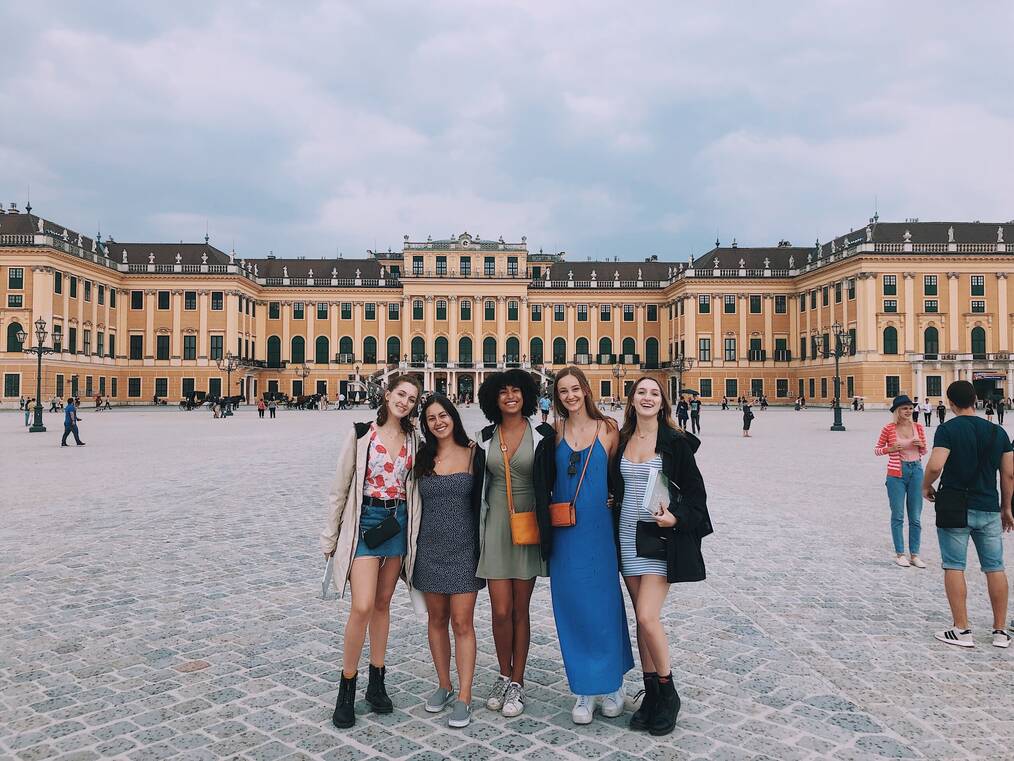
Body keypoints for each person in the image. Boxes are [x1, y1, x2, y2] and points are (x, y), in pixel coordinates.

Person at [608, 376, 711, 735]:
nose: (647, 398)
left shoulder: (676, 443)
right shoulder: (620, 440)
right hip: (626, 538)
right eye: (641, 392)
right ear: (632, 399)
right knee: (641, 620)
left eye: (654, 393)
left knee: (648, 616)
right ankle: (651, 694)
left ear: (663, 402)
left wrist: (676, 518)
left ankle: (668, 692)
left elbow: (697, 499)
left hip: (658, 539)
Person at [322, 374, 423, 729]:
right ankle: (346, 688)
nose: (404, 402)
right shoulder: (361, 432)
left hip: (396, 523)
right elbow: (340, 486)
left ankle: (376, 683)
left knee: (382, 605)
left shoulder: (414, 439)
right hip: (365, 522)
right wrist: (330, 537)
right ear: (387, 393)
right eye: (400, 394)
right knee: (362, 605)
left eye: (411, 398)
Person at [537, 367, 631, 725]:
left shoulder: (608, 428)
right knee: (572, 606)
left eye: (575, 389)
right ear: (556, 397)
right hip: (565, 531)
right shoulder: (555, 431)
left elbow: (622, 475)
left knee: (605, 604)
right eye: (563, 391)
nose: (570, 396)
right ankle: (584, 688)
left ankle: (612, 684)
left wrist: (614, 499)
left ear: (586, 390)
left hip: (598, 529)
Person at [473, 369, 550, 718]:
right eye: (503, 392)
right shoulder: (485, 437)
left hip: (528, 525)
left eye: (516, 391)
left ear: (527, 396)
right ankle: (503, 674)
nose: (510, 397)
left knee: (521, 610)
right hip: (495, 526)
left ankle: (517, 681)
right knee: (500, 610)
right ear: (494, 398)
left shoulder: (544, 435)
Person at [922, 381, 1014, 649]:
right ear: (976, 400)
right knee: (995, 567)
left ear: (950, 402)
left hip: (955, 507)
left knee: (954, 565)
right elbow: (1008, 474)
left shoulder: (948, 429)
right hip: (988, 506)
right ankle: (1000, 631)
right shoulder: (998, 433)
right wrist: (1006, 507)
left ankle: (961, 629)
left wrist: (926, 485)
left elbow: (936, 464)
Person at [413, 395, 485, 729]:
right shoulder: (422, 457)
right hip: (429, 551)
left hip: (464, 551)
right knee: (436, 620)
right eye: (431, 418)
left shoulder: (474, 453)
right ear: (425, 425)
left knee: (462, 623)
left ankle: (465, 694)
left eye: (443, 415)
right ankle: (444, 684)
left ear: (453, 417)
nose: (439, 422)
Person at [874, 395, 927, 568]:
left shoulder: (918, 427)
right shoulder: (889, 428)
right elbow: (877, 450)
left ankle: (915, 554)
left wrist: (920, 445)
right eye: (904, 408)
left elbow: (924, 450)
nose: (908, 411)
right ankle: (900, 554)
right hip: (896, 473)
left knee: (916, 517)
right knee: (898, 516)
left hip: (917, 471)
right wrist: (890, 448)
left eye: (910, 408)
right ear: (897, 411)